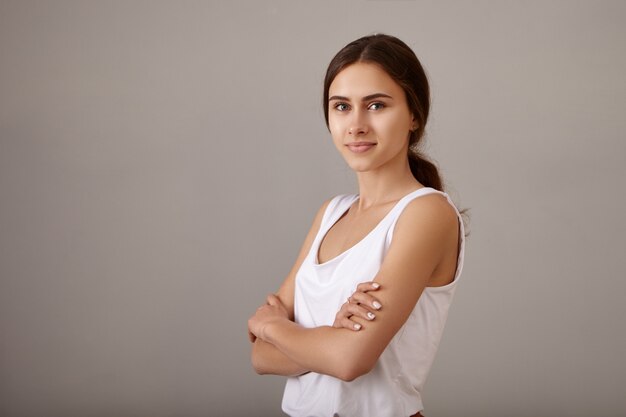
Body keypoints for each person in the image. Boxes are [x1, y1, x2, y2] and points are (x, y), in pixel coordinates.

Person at [247, 33, 466, 417]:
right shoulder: (331, 213)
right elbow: (260, 358)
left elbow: (350, 361)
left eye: (377, 105)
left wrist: (271, 327)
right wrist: (325, 340)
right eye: (342, 106)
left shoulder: (426, 213)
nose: (356, 124)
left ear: (414, 115)